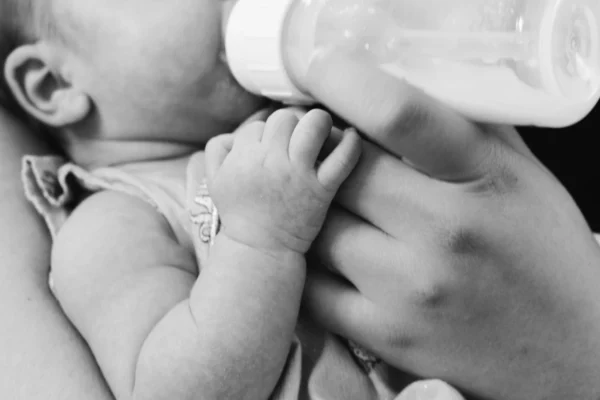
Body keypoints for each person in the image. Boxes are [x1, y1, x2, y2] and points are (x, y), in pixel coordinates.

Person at [2, 2, 600, 400]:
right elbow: (170, 390)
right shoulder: (114, 221)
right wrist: (258, 243)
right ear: (53, 85)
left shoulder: (307, 112)